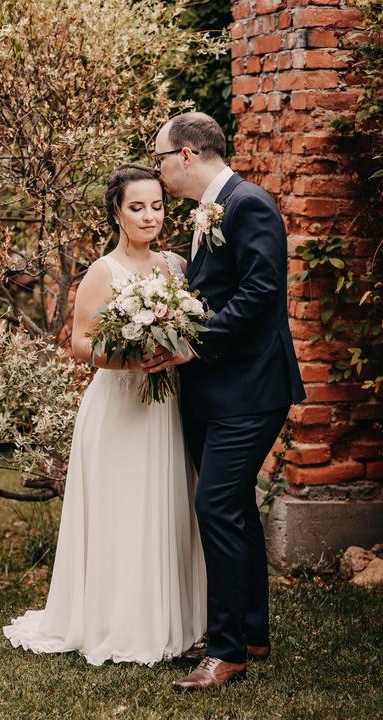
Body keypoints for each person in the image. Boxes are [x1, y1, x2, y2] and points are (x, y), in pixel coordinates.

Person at [3, 164, 206, 666]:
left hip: (168, 404)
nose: (149, 216)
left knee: (167, 505)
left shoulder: (177, 267)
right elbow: (80, 344)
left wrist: (175, 350)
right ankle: (117, 620)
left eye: (157, 206)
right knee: (123, 508)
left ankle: (174, 619)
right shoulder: (103, 271)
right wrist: (132, 360)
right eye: (137, 207)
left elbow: (194, 330)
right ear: (117, 211)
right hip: (119, 405)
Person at [144, 112, 306, 691]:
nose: (158, 169)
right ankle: (251, 631)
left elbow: (261, 293)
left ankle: (225, 651)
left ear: (186, 154)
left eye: (160, 158)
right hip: (214, 390)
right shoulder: (209, 209)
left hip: (250, 389)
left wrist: (191, 343)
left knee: (214, 506)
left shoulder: (248, 204)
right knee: (233, 506)